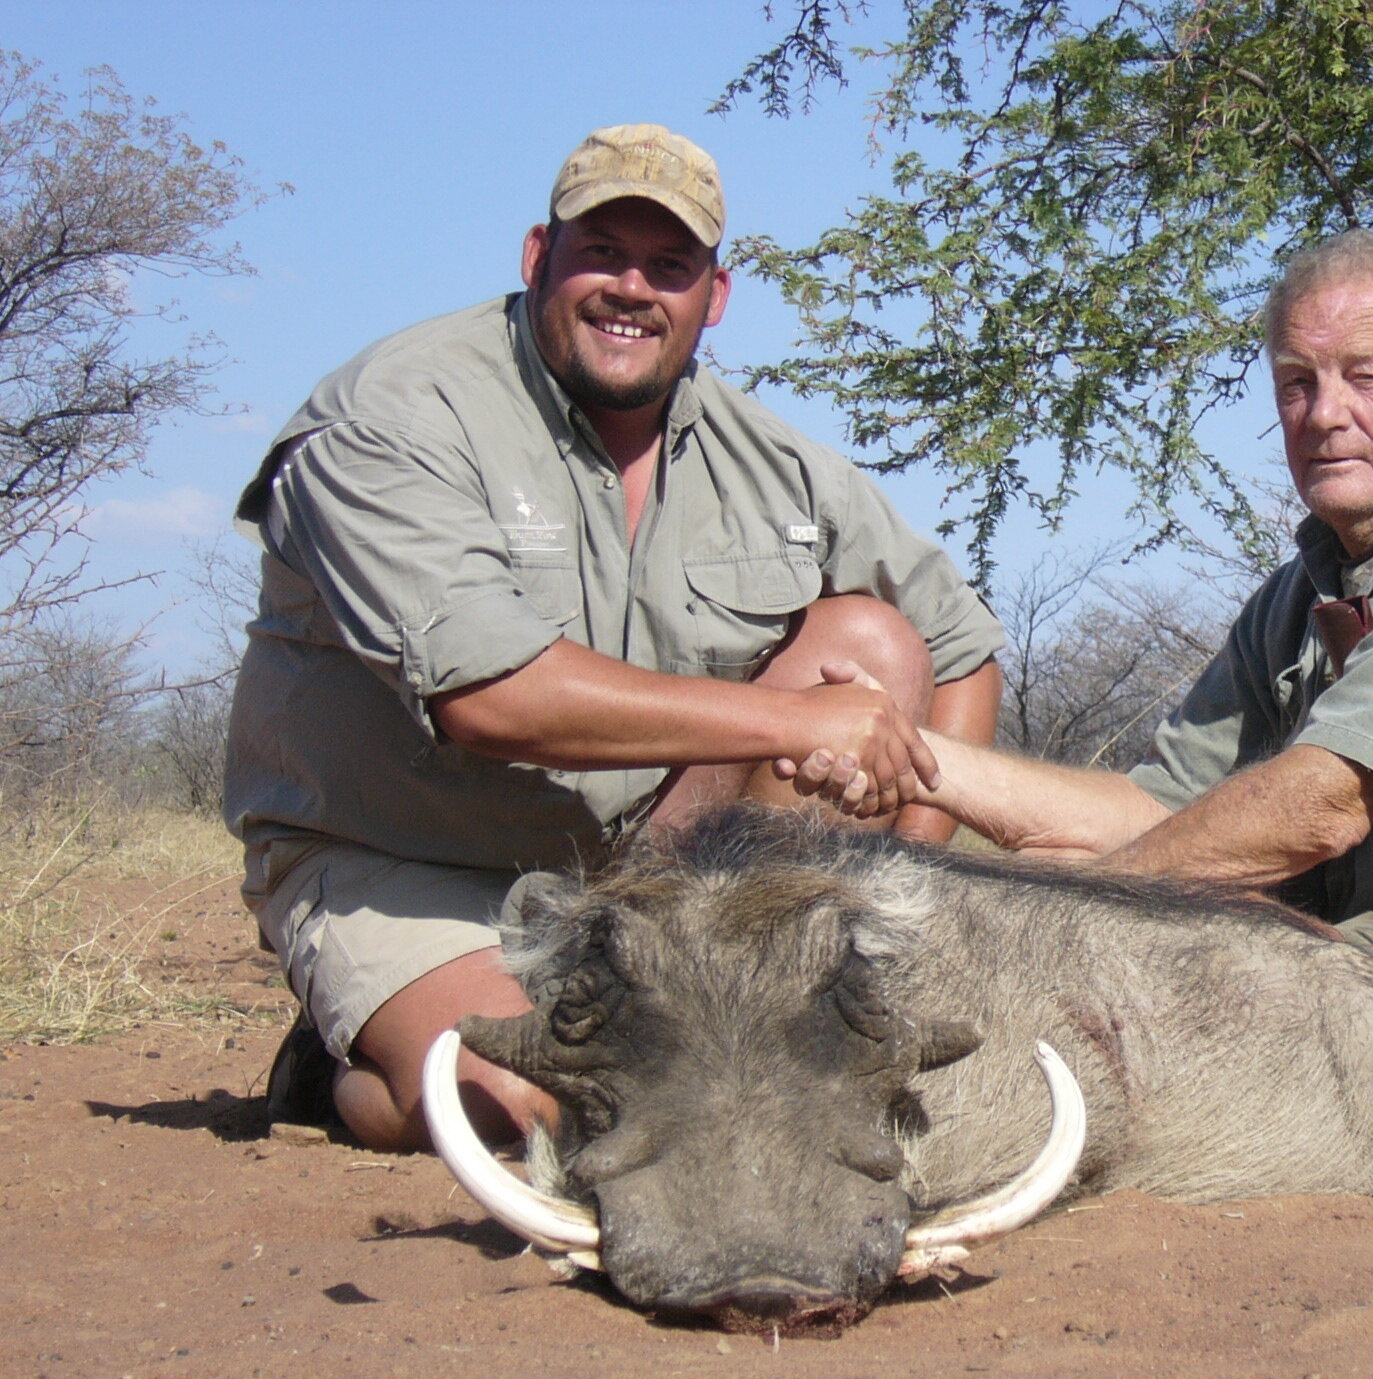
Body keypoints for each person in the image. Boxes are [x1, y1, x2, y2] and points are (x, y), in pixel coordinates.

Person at [789, 230, 1373, 1151]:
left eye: (1367, 376)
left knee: (1201, 977)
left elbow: (1320, 809)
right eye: (1298, 383)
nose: (1326, 414)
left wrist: (1060, 919)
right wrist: (915, 757)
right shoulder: (1300, 591)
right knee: (1129, 942)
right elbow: (1154, 809)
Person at [227, 125, 1004, 1152]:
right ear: (535, 257)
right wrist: (794, 718)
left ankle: (757, 979)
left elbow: (960, 652)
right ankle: (351, 1068)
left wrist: (901, 899)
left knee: (869, 642)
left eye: (669, 265)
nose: (633, 287)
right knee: (545, 1110)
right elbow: (490, 698)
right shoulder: (392, 415)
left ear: (712, 297)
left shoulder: (767, 456)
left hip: (639, 866)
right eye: (601, 252)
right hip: (407, 862)